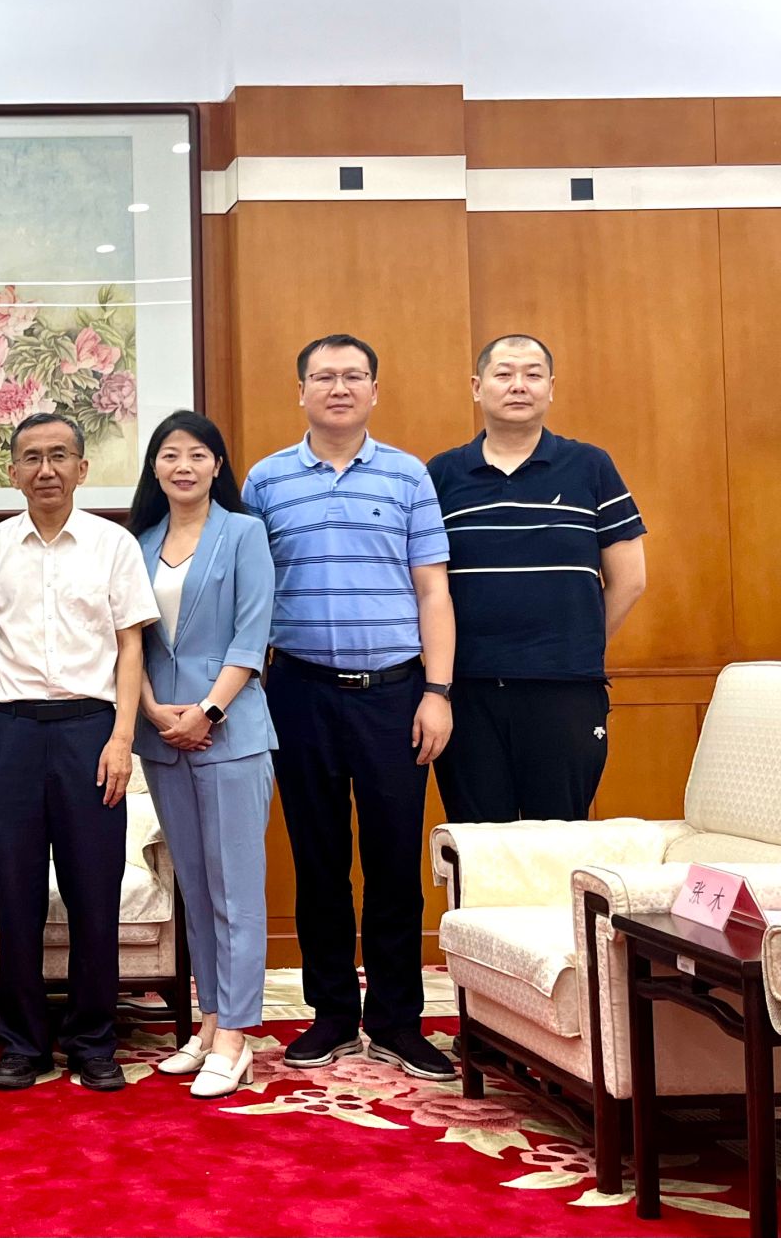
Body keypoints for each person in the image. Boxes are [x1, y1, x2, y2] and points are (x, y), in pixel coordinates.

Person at [241, 334, 457, 1082]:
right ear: (301, 390)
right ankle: (331, 1013)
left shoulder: (408, 475)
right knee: (319, 860)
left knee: (395, 862)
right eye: (324, 376)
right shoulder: (266, 480)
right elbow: (249, 591)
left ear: (374, 389)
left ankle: (397, 1021)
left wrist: (437, 692)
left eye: (353, 376)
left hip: (395, 694)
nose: (339, 387)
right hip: (298, 690)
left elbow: (433, 590)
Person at [0, 412, 155, 1093]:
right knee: (14, 894)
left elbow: (131, 645)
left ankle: (93, 1041)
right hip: (11, 731)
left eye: (59, 456)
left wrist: (122, 738)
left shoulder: (113, 545)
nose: (45, 469)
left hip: (90, 731)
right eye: (31, 458)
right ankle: (22, 1042)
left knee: (93, 894)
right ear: (13, 471)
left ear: (81, 467)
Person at [426, 335, 647, 823]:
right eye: (504, 374)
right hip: (468, 691)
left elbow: (630, 579)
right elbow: (424, 584)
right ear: (477, 387)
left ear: (551, 387)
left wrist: (576, 644)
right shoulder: (441, 474)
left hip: (565, 690)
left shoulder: (590, 465)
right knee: (479, 841)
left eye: (532, 374)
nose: (518, 385)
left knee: (560, 837)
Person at [126, 410, 277, 1100]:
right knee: (194, 884)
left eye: (197, 454)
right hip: (163, 735)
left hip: (231, 732)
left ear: (217, 465)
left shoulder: (244, 533)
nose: (182, 465)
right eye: (170, 454)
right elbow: (131, 640)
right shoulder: (139, 543)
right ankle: (211, 1019)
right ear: (155, 467)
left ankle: (237, 1035)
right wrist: (154, 710)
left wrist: (208, 711)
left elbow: (251, 635)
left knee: (236, 890)